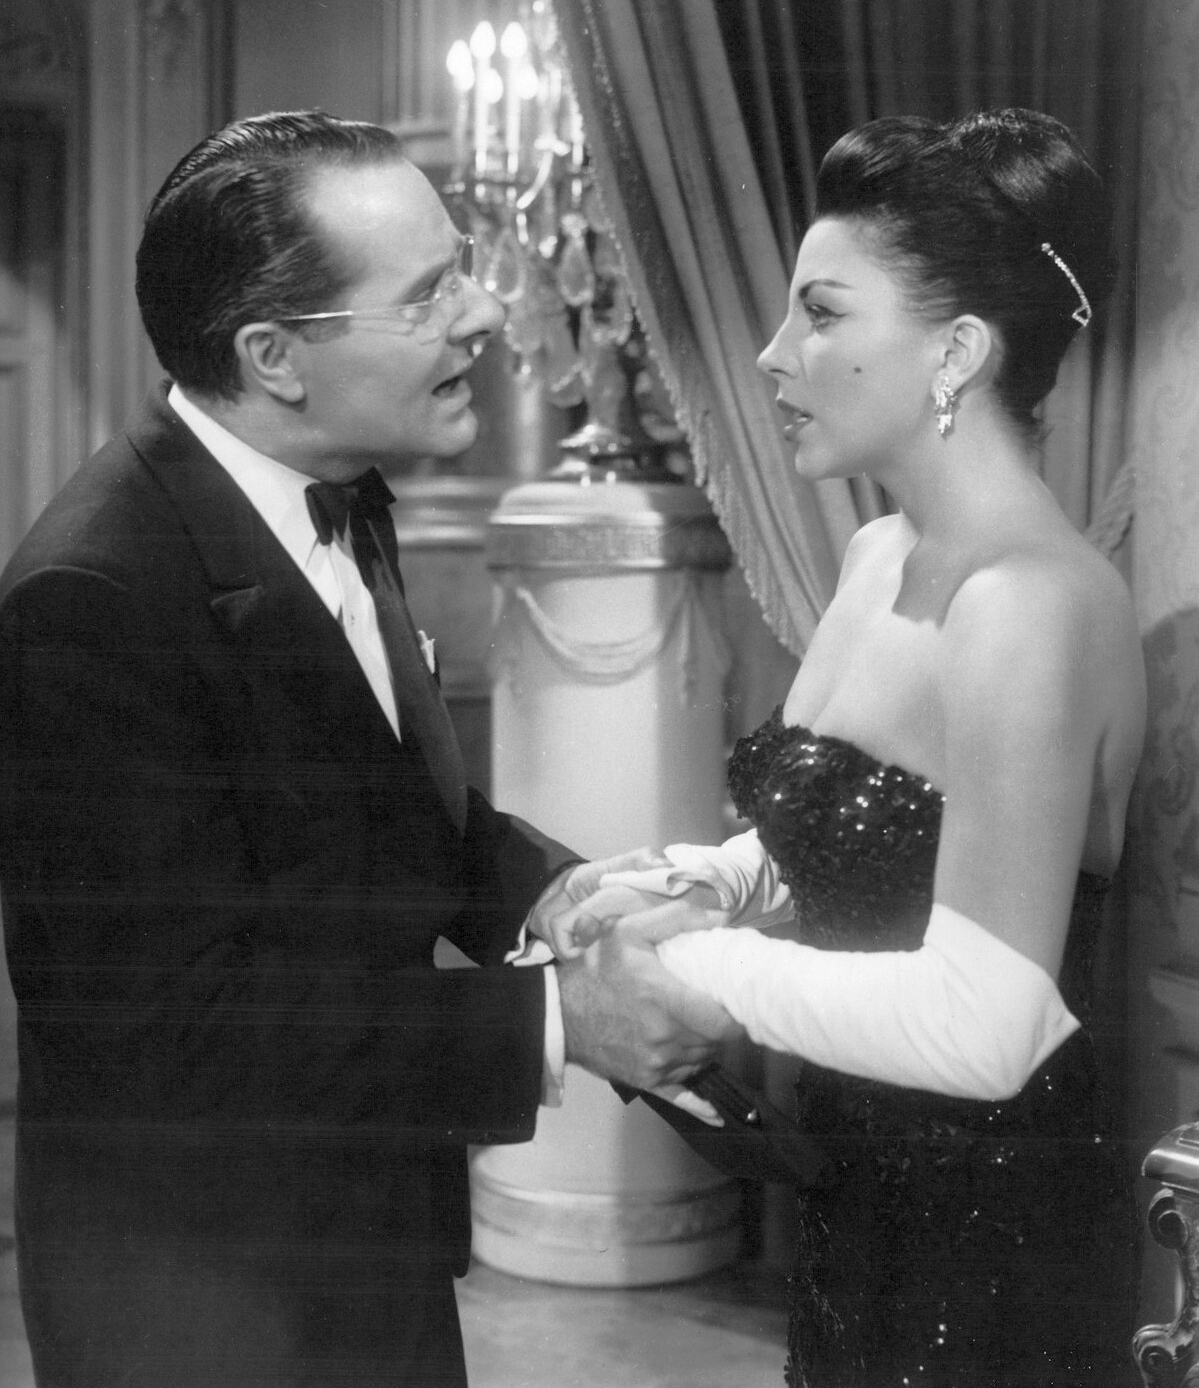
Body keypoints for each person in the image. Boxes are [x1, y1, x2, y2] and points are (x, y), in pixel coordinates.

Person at [0, 109, 732, 1388]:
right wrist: (559, 1020)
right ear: (273, 357)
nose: (483, 314)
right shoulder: (90, 600)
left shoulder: (333, 494)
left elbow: (377, 806)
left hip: (366, 1236)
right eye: (428, 293)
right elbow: (174, 1030)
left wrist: (549, 891)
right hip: (200, 1299)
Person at [545, 109, 1147, 1386]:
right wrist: (704, 878)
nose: (771, 354)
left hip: (987, 1230)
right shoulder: (877, 557)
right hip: (857, 1185)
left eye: (820, 313)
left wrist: (700, 970)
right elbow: (867, 827)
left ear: (955, 352)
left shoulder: (1029, 605)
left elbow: (986, 1026)